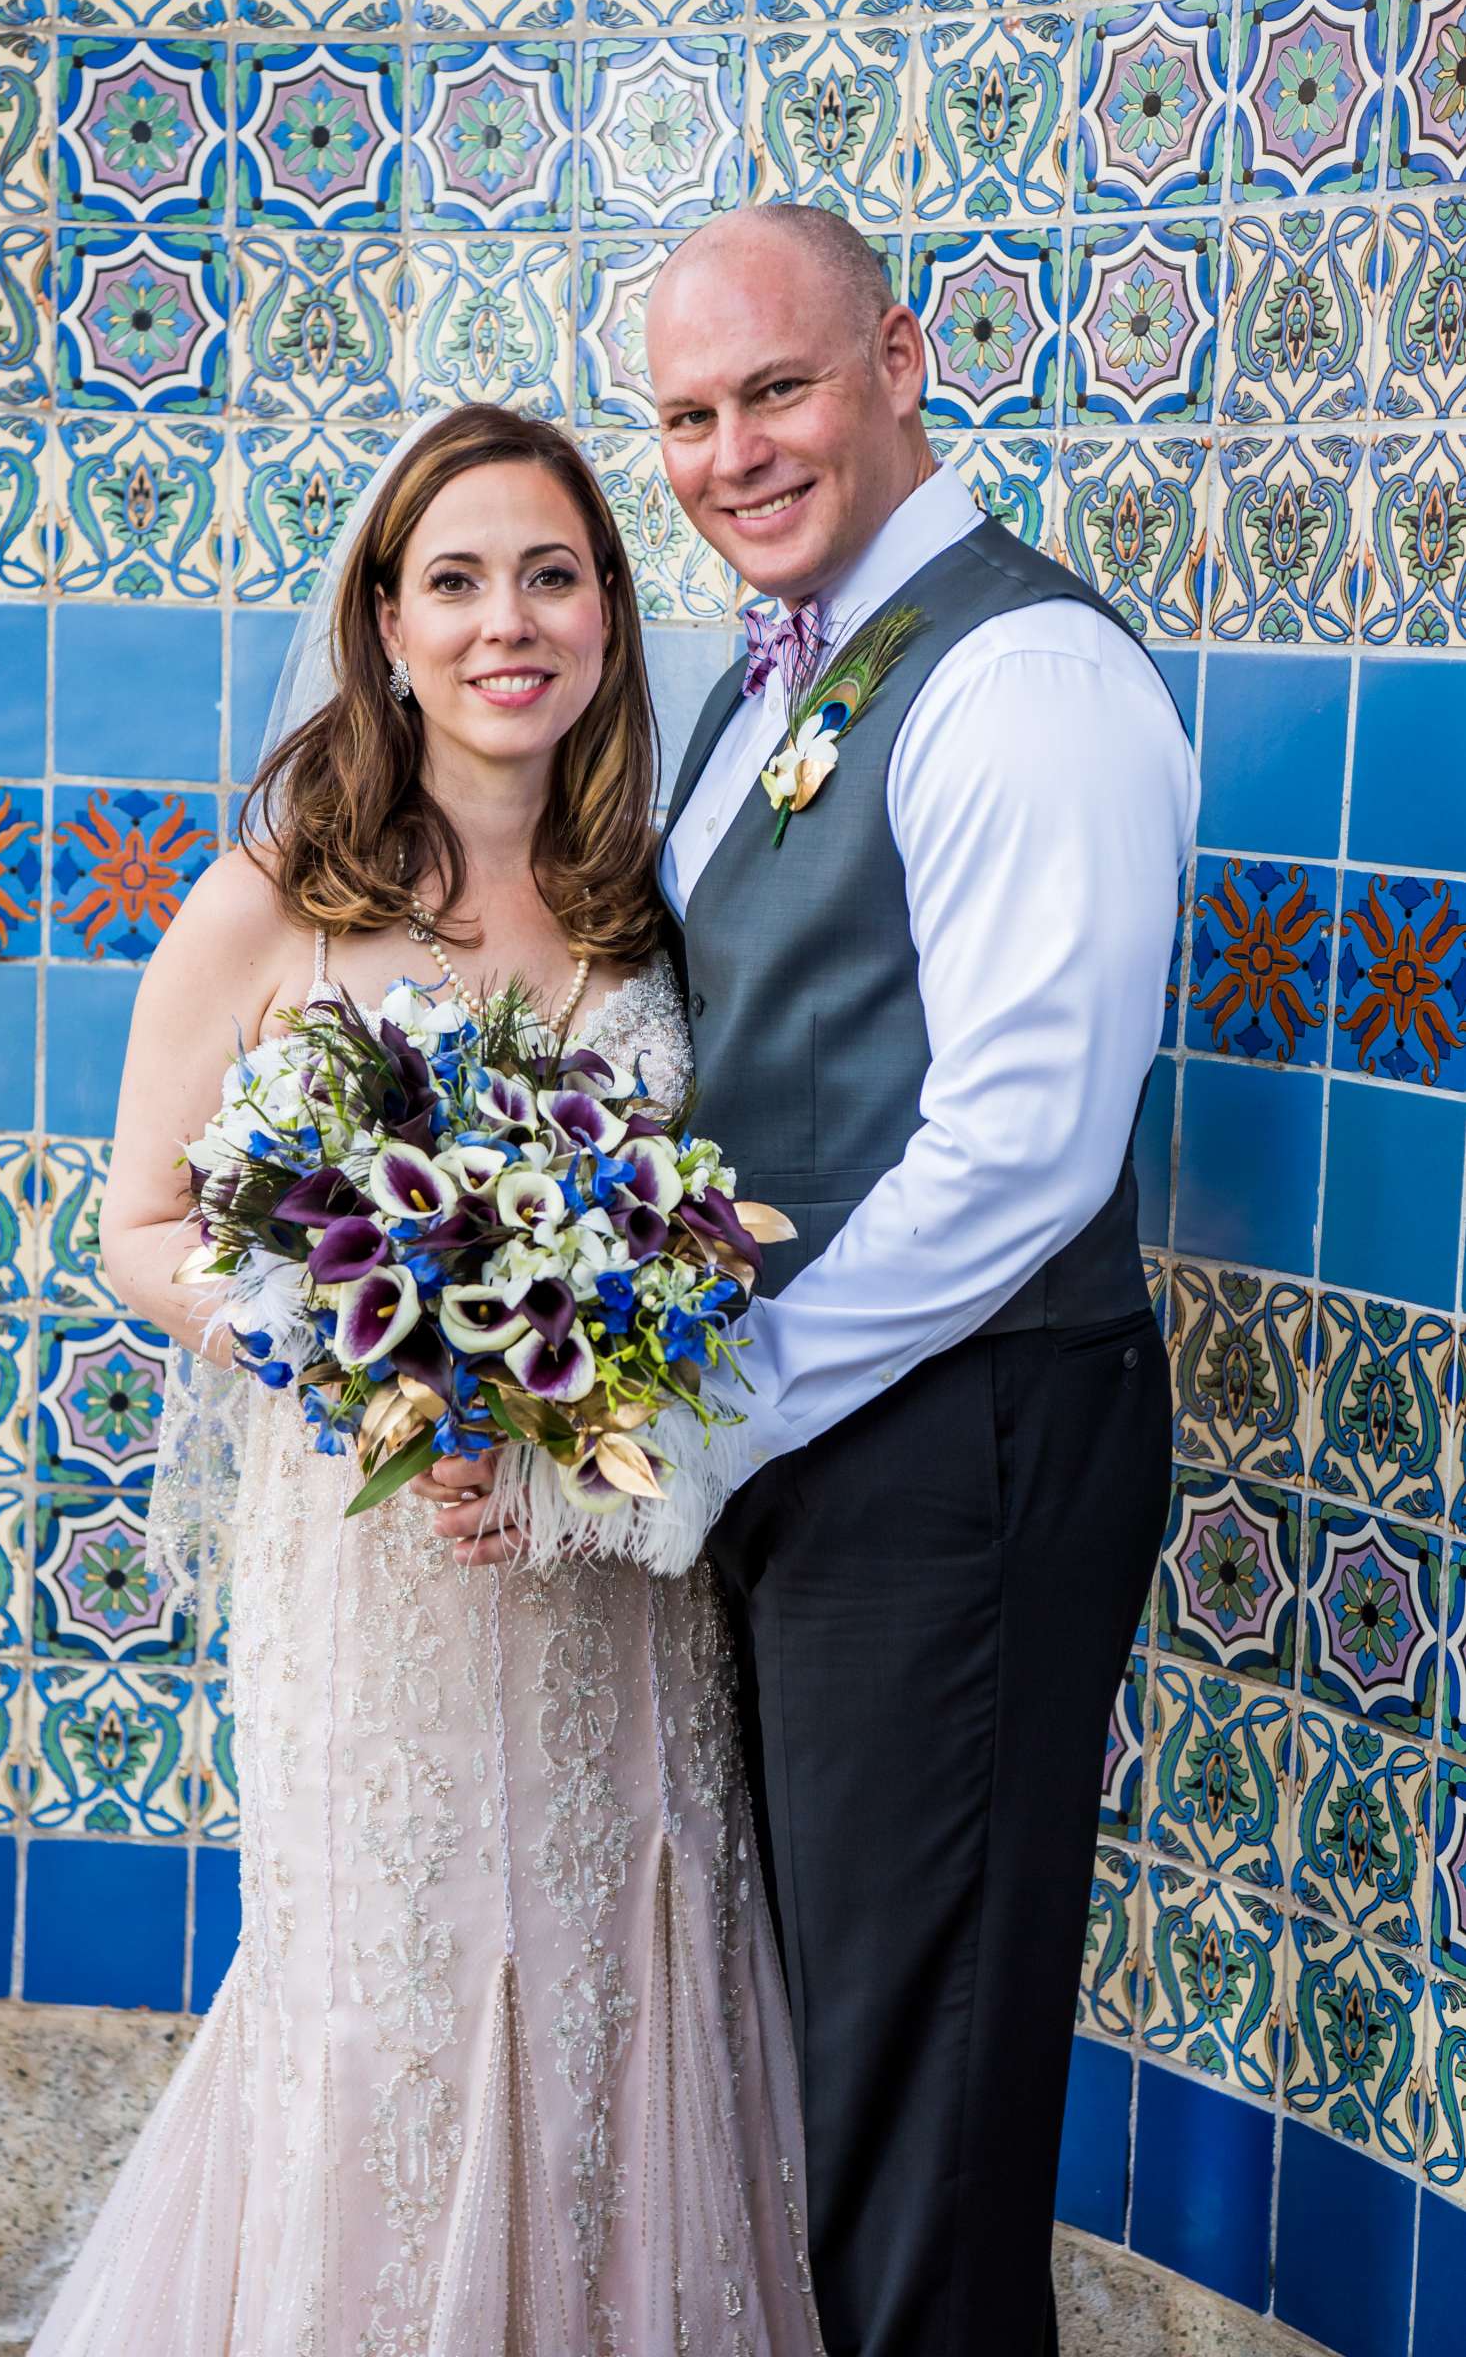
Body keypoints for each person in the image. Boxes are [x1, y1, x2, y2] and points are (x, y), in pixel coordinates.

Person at [25, 404, 822, 2356]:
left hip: (611, 1596)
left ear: (615, 619)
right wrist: (360, 1360)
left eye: (553, 575)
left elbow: (681, 1237)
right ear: (386, 622)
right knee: (386, 2025)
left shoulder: (657, 905)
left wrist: (589, 1391)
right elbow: (137, 1225)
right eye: (455, 579)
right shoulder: (273, 903)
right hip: (377, 1588)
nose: (506, 622)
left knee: (620, 2006)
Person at [624, 203, 1194, 2357]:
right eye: (686, 415)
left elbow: (1020, 1158)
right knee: (839, 2076)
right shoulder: (783, 671)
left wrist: (710, 1403)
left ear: (901, 359)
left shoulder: (1023, 674)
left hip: (959, 1453)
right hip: (829, 1448)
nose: (732, 452)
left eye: (774, 387)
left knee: (920, 2106)